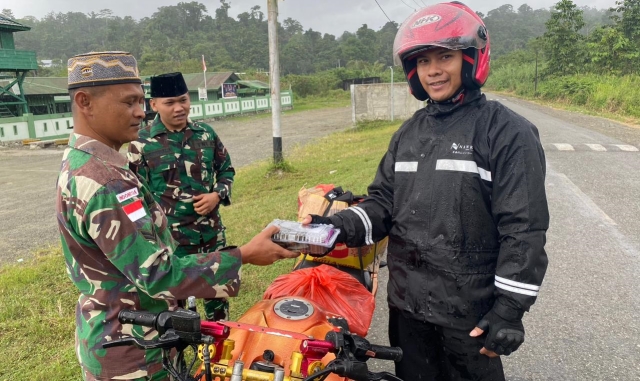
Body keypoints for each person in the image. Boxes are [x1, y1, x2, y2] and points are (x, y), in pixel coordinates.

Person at [303, 3, 549, 380]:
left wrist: (509, 309)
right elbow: (383, 203)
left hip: (469, 315)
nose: (433, 70)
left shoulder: (506, 132)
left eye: (445, 57)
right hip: (407, 308)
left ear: (471, 59)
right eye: (422, 61)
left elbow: (524, 228)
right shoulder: (408, 134)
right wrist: (330, 229)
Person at [56, 51, 297, 381]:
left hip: (143, 328)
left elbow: (225, 170)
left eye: (141, 101)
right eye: (130, 102)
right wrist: (245, 255)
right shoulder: (105, 179)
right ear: (85, 102)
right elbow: (155, 274)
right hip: (133, 349)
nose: (139, 112)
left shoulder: (93, 163)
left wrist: (218, 196)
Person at [128, 72, 233, 322]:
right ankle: (180, 357)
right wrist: (147, 237)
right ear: (153, 105)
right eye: (170, 103)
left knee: (218, 301)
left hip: (210, 235)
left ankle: (218, 352)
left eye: (183, 100)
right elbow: (133, 196)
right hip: (170, 243)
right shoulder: (141, 143)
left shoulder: (206, 135)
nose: (179, 108)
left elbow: (227, 170)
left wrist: (217, 195)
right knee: (175, 309)